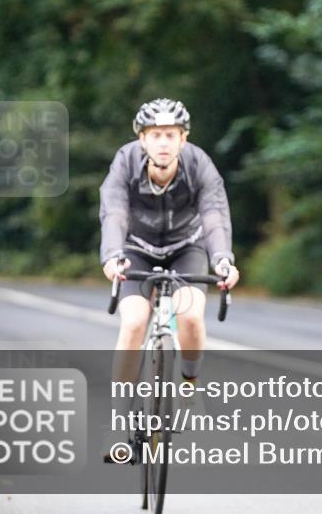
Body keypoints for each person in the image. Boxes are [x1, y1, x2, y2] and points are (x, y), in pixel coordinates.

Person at [99, 98, 239, 460]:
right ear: (142, 139)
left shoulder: (199, 165)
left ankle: (190, 388)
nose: (163, 142)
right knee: (133, 322)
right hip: (136, 248)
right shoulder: (126, 162)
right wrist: (112, 255)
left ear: (183, 139)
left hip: (185, 248)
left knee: (190, 316)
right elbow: (114, 211)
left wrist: (222, 260)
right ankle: (117, 423)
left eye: (171, 135)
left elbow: (214, 215)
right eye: (156, 135)